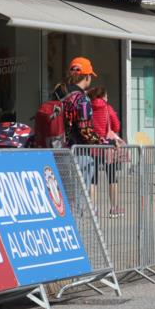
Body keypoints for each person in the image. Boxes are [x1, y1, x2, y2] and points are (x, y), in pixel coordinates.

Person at [54, 57, 102, 199]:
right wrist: (105, 143)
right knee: (77, 200)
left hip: (57, 151)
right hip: (78, 153)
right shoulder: (82, 99)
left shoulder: (58, 93)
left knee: (61, 199)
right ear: (87, 76)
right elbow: (85, 131)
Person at [88, 86, 126, 217]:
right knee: (112, 178)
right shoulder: (107, 108)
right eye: (106, 95)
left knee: (93, 180)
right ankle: (114, 208)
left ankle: (94, 210)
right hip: (107, 147)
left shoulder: (88, 108)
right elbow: (116, 126)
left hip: (92, 147)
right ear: (103, 96)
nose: (107, 97)